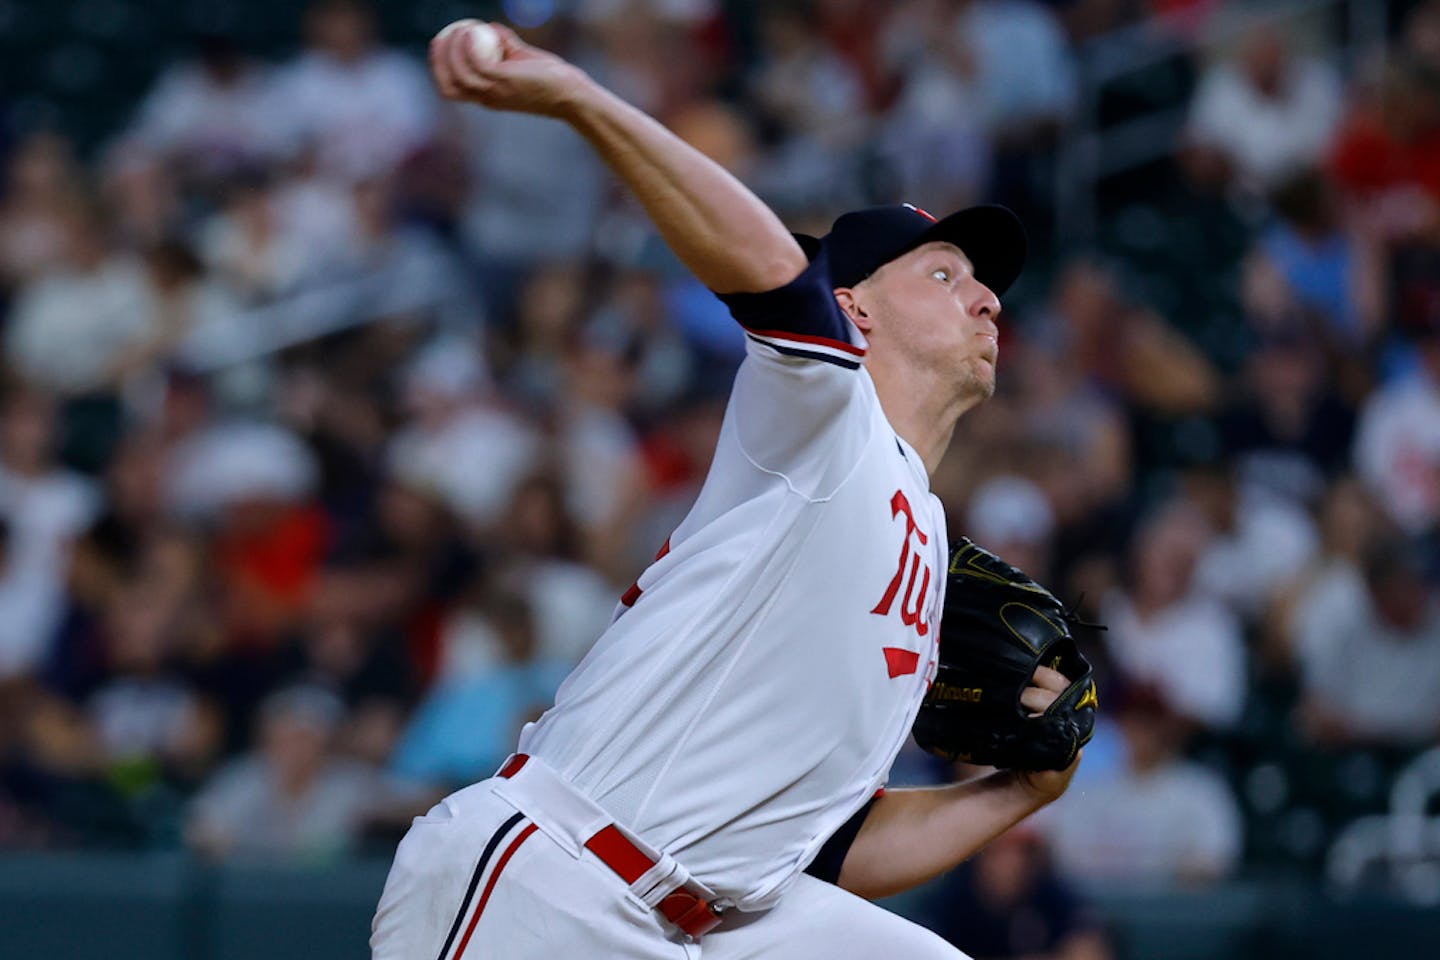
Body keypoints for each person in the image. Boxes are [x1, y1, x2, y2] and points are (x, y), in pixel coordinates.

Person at [371, 22, 1080, 959]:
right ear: (855, 306)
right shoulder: (826, 420)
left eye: (982, 283)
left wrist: (1019, 790)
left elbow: (817, 849)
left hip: (710, 916)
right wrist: (584, 100)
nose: (985, 297)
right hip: (554, 879)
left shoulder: (924, 536)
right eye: (944, 274)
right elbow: (778, 280)